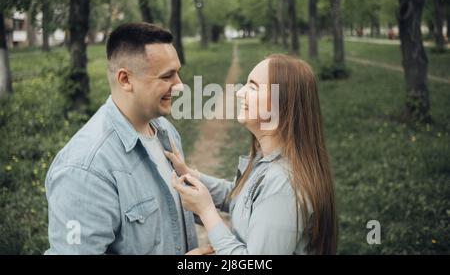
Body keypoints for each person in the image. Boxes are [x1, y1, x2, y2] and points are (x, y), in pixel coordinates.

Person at [45, 23, 206, 254]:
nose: (179, 84)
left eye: (177, 72)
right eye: (167, 76)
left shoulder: (165, 131)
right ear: (125, 79)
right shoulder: (86, 170)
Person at [166, 54, 338, 254]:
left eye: (253, 87)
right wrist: (190, 174)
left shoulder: (284, 185)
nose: (240, 93)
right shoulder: (267, 160)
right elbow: (242, 198)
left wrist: (206, 211)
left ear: (282, 103)